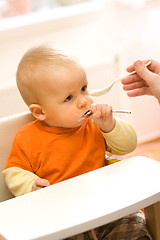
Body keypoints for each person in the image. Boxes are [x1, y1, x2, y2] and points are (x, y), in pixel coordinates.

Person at [3, 44, 152, 240]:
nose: (83, 101)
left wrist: (110, 125)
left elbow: (128, 145)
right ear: (40, 112)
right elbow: (13, 171)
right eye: (69, 98)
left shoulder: (94, 125)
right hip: (64, 219)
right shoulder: (27, 138)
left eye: (84, 88)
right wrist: (30, 184)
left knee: (135, 225)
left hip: (107, 208)